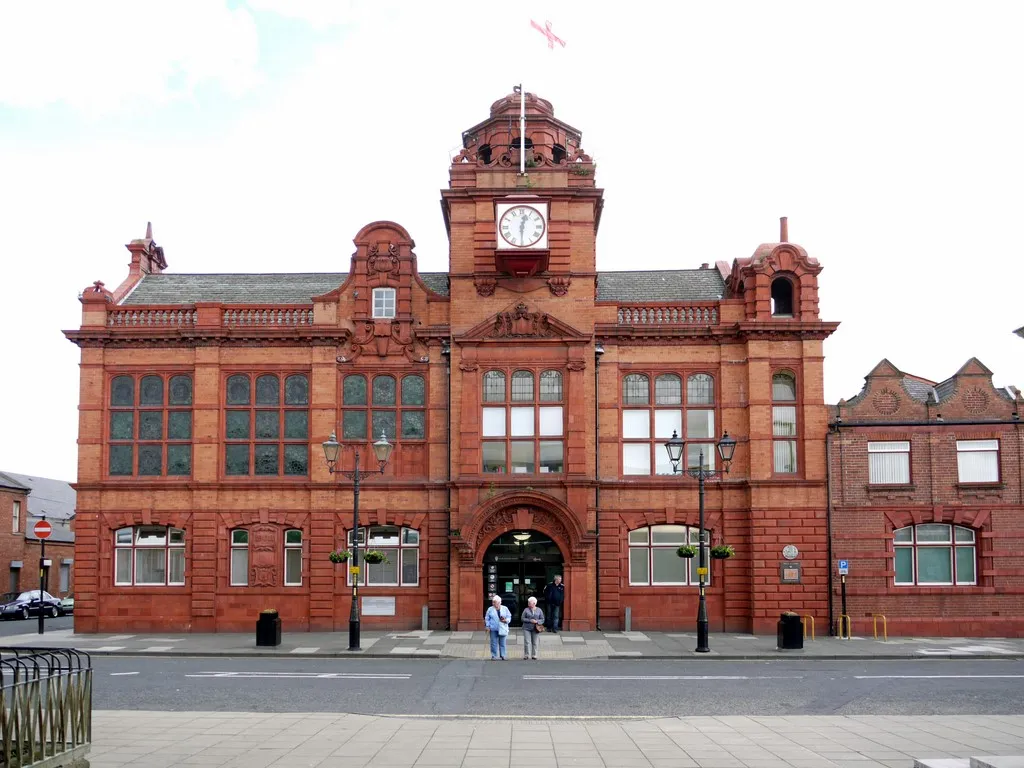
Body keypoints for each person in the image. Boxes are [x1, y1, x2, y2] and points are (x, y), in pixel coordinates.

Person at [484, 594, 511, 660]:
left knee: (502, 642)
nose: (493, 603)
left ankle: (503, 655)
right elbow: (487, 618)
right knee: (493, 643)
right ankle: (494, 655)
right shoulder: (490, 609)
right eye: (493, 602)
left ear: (499, 602)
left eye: (494, 602)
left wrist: (506, 620)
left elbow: (509, 616)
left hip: (502, 628)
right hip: (493, 628)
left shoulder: (505, 608)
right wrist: (487, 626)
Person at [521, 596, 545, 660]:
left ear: (534, 603)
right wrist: (530, 620)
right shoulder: (526, 610)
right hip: (526, 628)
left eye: (530, 603)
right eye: (528, 602)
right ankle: (526, 655)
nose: (528, 604)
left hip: (536, 628)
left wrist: (537, 621)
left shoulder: (539, 610)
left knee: (535, 642)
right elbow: (522, 618)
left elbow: (542, 619)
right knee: (527, 642)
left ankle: (534, 655)